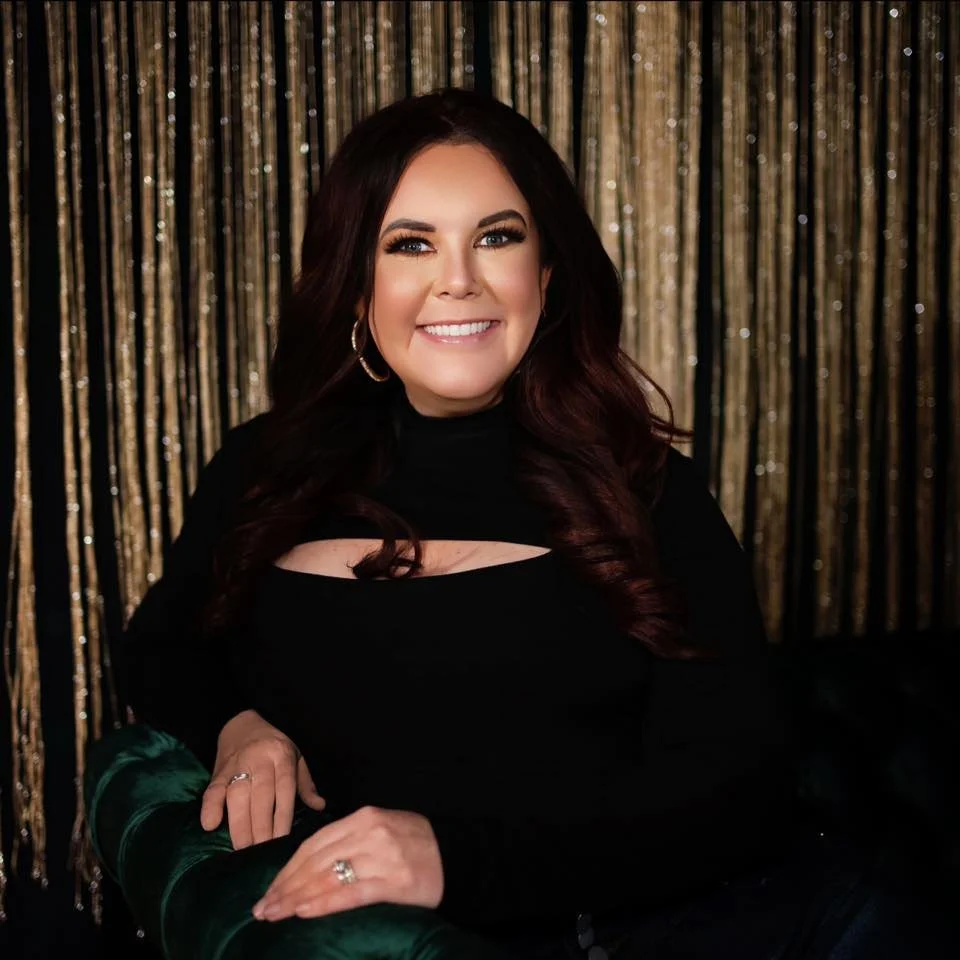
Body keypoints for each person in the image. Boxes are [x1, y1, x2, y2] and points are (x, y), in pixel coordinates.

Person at [120, 87, 955, 959]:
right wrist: (239, 727)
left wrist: (455, 862)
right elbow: (162, 649)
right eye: (411, 244)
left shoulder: (644, 487)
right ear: (355, 287)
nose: (458, 280)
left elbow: (739, 794)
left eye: (497, 237)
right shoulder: (264, 467)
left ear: (545, 275)